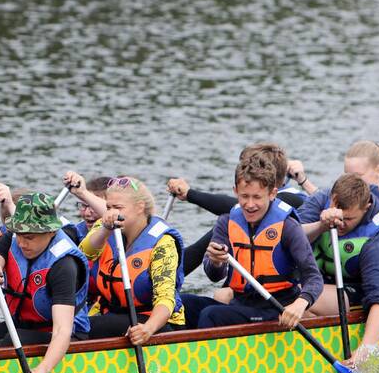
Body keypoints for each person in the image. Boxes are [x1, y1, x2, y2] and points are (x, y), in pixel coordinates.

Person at [0, 192, 90, 373]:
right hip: (21, 325)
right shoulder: (12, 238)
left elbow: (62, 331)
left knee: (4, 342)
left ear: (51, 232)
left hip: (62, 335)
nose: (21, 243)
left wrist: (43, 369)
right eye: (19, 234)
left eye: (29, 237)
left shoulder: (64, 264)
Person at [190, 154, 323, 329]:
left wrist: (300, 303)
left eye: (257, 197)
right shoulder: (225, 222)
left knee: (211, 315)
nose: (250, 204)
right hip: (241, 303)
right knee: (185, 304)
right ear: (235, 191)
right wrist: (215, 262)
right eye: (244, 196)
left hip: (277, 309)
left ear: (272, 194)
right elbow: (214, 276)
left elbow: (314, 277)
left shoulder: (288, 226)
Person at [302, 174, 379, 365]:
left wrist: (365, 349)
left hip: (367, 292)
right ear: (332, 198)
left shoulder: (378, 235)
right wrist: (321, 226)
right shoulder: (320, 200)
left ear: (366, 208)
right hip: (326, 284)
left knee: (297, 297)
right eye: (339, 216)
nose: (341, 223)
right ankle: (317, 349)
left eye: (348, 218)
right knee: (288, 299)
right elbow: (288, 237)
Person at [167, 143, 305, 276]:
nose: (243, 173)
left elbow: (232, 206)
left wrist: (190, 194)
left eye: (249, 168)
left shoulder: (293, 200)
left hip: (286, 283)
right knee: (226, 226)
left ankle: (170, 273)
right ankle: (167, 273)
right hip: (253, 281)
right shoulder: (241, 214)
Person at [79, 176, 187, 340]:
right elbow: (84, 254)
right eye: (108, 207)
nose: (112, 213)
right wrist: (105, 230)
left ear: (139, 207)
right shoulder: (104, 226)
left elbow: (165, 298)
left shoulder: (163, 243)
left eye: (118, 207)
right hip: (111, 313)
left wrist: (148, 329)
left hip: (155, 322)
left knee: (89, 328)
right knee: (77, 323)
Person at [59, 171, 109, 245]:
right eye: (84, 206)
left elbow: (112, 213)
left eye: (93, 207)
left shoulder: (120, 230)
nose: (87, 213)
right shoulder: (75, 231)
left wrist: (82, 193)